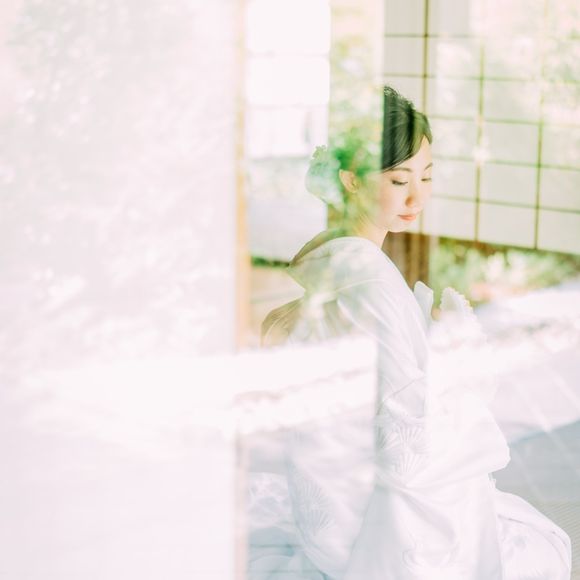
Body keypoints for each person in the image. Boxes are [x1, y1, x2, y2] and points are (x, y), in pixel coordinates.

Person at [247, 86, 572, 579]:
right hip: (367, 524)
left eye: (427, 176)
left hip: (333, 497)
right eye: (399, 180)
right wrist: (459, 362)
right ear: (350, 180)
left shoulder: (336, 255)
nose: (417, 196)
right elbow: (408, 449)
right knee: (537, 556)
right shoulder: (371, 281)